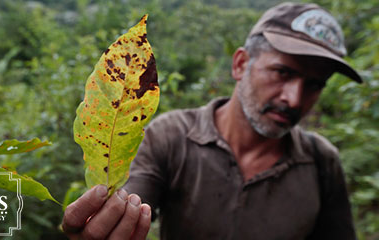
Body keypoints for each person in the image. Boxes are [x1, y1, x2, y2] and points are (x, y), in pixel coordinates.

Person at [61, 2, 361, 239]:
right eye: (283, 73)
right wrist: (104, 221)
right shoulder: (171, 136)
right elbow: (131, 201)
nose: (294, 99)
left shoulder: (322, 162)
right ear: (241, 64)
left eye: (314, 84)